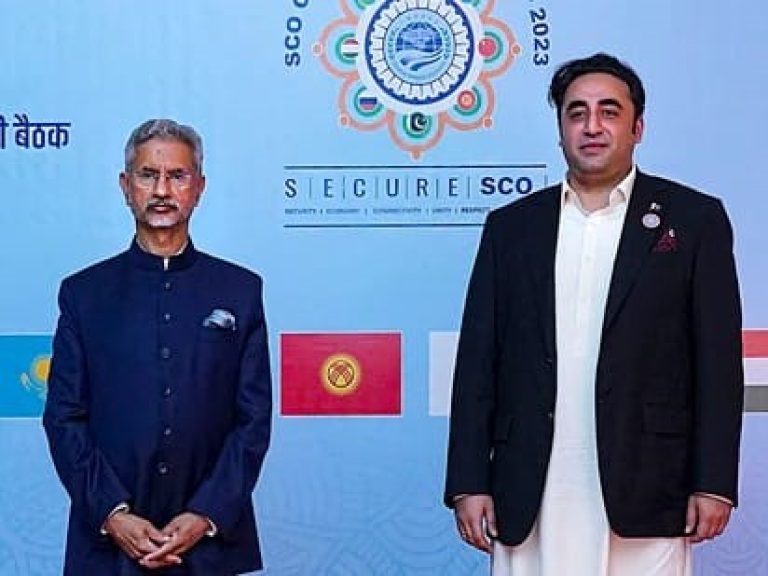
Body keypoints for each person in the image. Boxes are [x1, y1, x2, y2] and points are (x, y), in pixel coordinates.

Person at [444, 53, 744, 575]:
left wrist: (714, 482)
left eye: (609, 111)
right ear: (560, 129)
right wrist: (468, 482)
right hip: (530, 488)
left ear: (637, 127)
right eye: (576, 113)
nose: (592, 126)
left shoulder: (694, 220)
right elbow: (477, 363)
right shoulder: (512, 228)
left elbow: (717, 365)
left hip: (649, 485)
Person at [43, 119, 272, 575]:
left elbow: (253, 419)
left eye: (177, 176)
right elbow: (64, 416)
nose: (162, 190)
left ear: (199, 187)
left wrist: (206, 513)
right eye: (148, 175)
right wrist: (113, 514)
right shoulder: (84, 294)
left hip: (211, 549)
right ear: (126, 187)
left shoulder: (240, 290)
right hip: (107, 550)